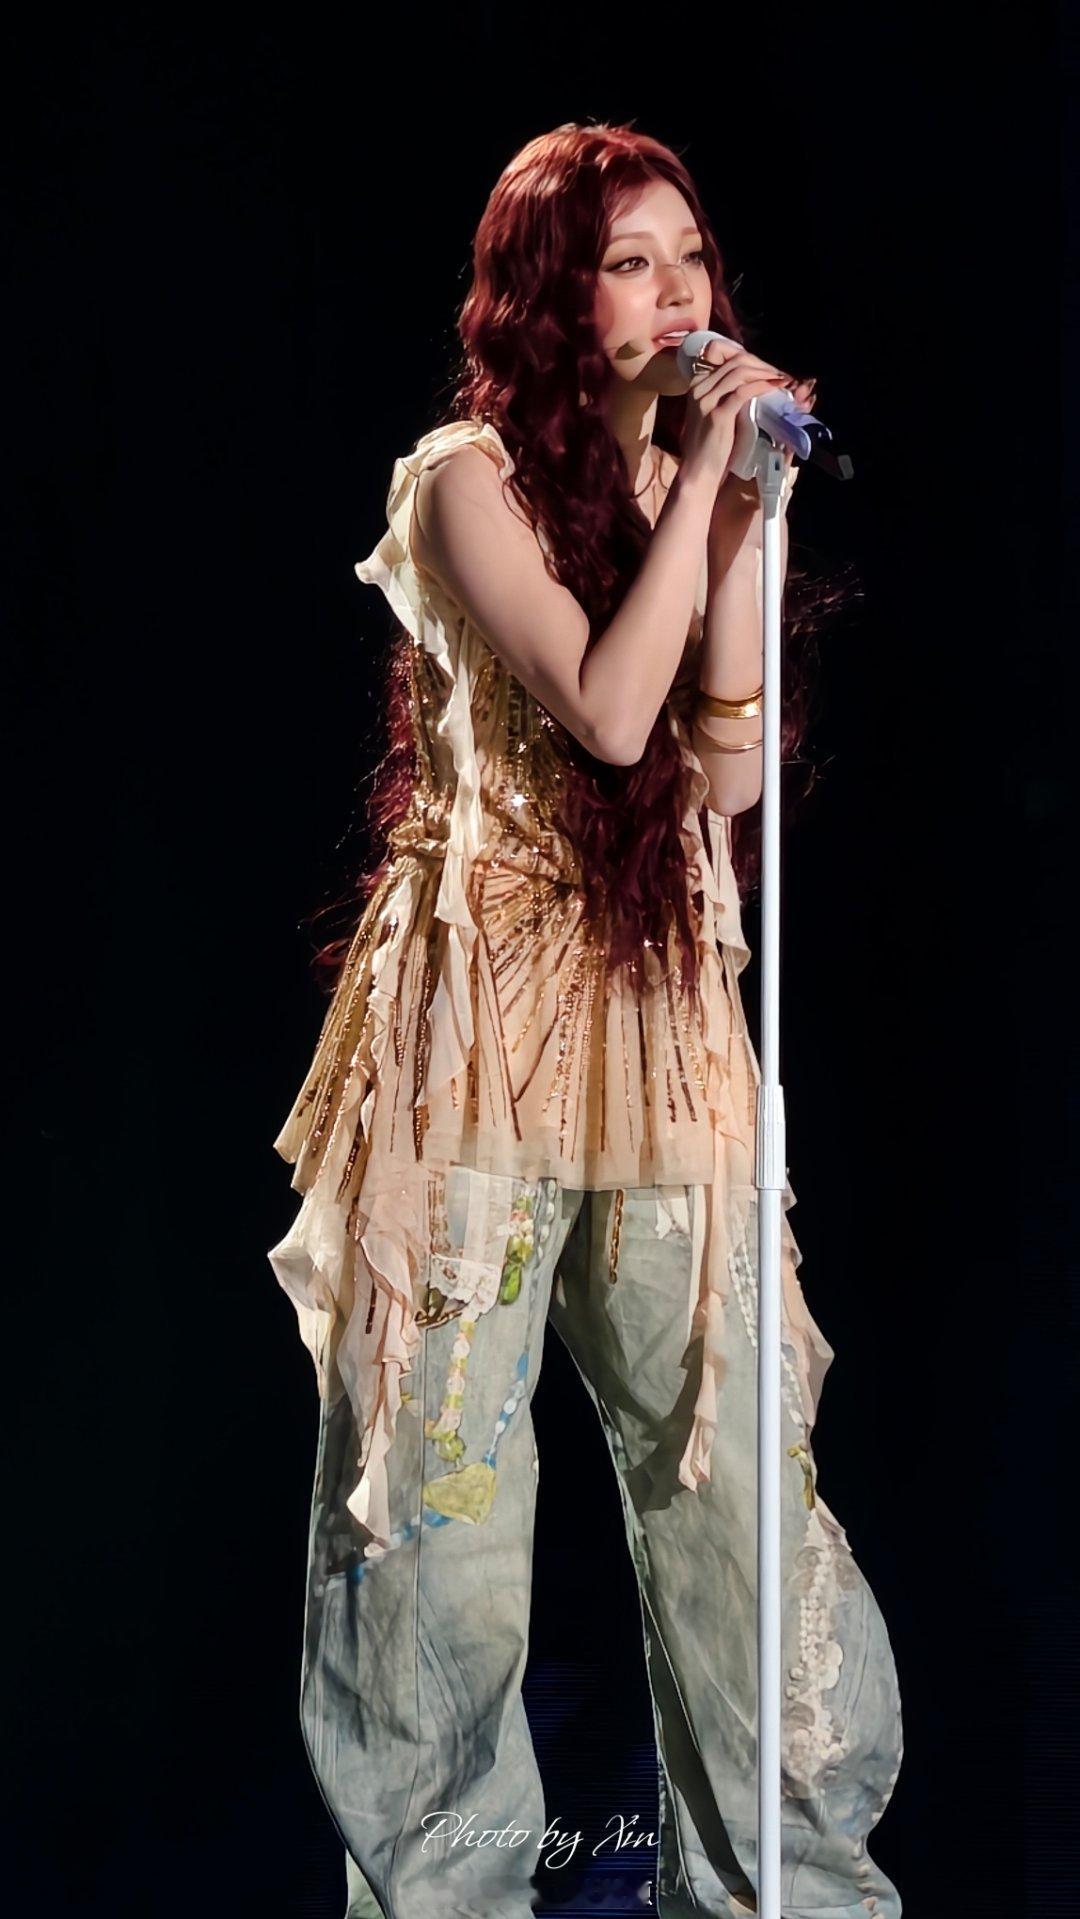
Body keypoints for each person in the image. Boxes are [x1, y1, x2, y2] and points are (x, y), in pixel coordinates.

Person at [269, 121, 904, 1919]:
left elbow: (717, 774)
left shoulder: (690, 480)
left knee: (738, 1487)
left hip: (662, 1019)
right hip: (481, 1035)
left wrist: (738, 514)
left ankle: (784, 1887)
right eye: (632, 262)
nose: (679, 292)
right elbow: (607, 718)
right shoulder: (461, 480)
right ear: (554, 294)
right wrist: (703, 496)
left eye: (690, 255)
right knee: (438, 1526)